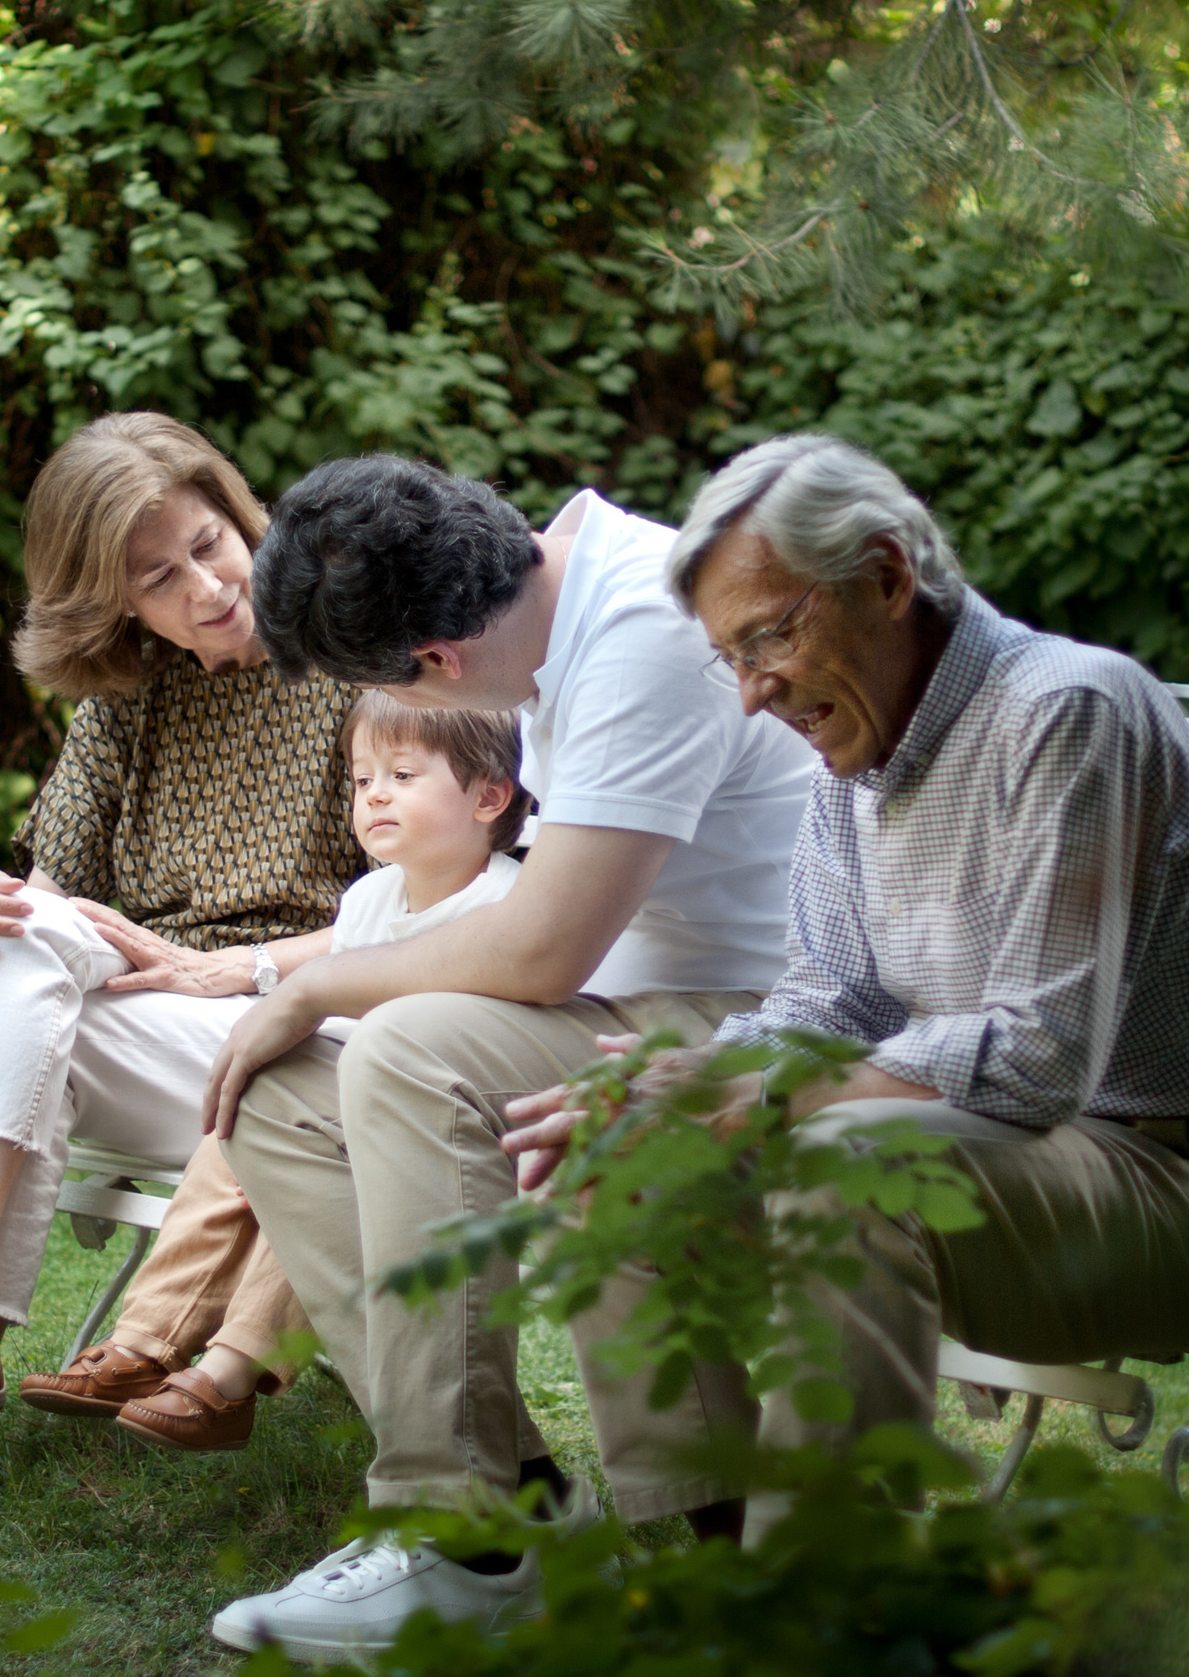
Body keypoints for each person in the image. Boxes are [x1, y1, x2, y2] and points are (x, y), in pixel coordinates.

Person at [503, 433, 1189, 1542]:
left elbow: (1037, 1058)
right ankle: (720, 1542)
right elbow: (826, 1001)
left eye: (769, 637)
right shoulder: (853, 759)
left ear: (884, 578)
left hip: (1184, 1181)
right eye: (729, 659)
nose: (751, 696)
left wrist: (768, 1101)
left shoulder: (1068, 712)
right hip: (1002, 1168)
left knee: (850, 1165)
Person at [202, 457, 818, 1661]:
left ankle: (459, 1536)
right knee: (278, 1098)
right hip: (637, 1000)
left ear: (430, 668)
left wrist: (314, 980)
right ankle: (522, 1510)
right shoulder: (563, 597)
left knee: (407, 1049)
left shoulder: (645, 630)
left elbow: (541, 948)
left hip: (760, 1020)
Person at [0, 413, 365, 1511]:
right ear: (115, 602)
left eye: (209, 542)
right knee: (1, 939)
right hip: (169, 1050)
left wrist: (231, 971)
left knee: (26, 984)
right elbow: (50, 897)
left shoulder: (356, 654)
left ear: (242, 515)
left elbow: (432, 912)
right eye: (158, 576)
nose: (206, 586)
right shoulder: (124, 696)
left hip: (311, 1038)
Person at [93, 691, 532, 1453]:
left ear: (490, 796)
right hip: (342, 1098)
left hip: (435, 1120)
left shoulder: (505, 901)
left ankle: (228, 1373)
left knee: (335, 1168)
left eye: (402, 774)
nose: (375, 796)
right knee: (231, 1139)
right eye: (362, 781)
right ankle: (141, 1343)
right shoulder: (367, 902)